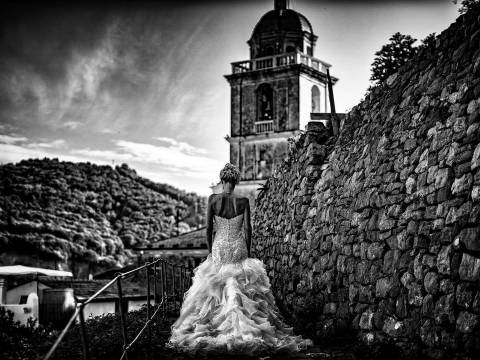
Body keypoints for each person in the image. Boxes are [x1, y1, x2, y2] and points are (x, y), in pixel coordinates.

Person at [167, 163, 312, 356]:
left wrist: (211, 251)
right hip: (238, 246)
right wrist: (248, 251)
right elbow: (248, 230)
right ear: (235, 181)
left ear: (222, 180)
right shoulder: (243, 201)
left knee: (215, 286)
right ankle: (244, 329)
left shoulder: (212, 199)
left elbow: (209, 229)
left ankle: (216, 327)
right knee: (239, 284)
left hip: (219, 246)